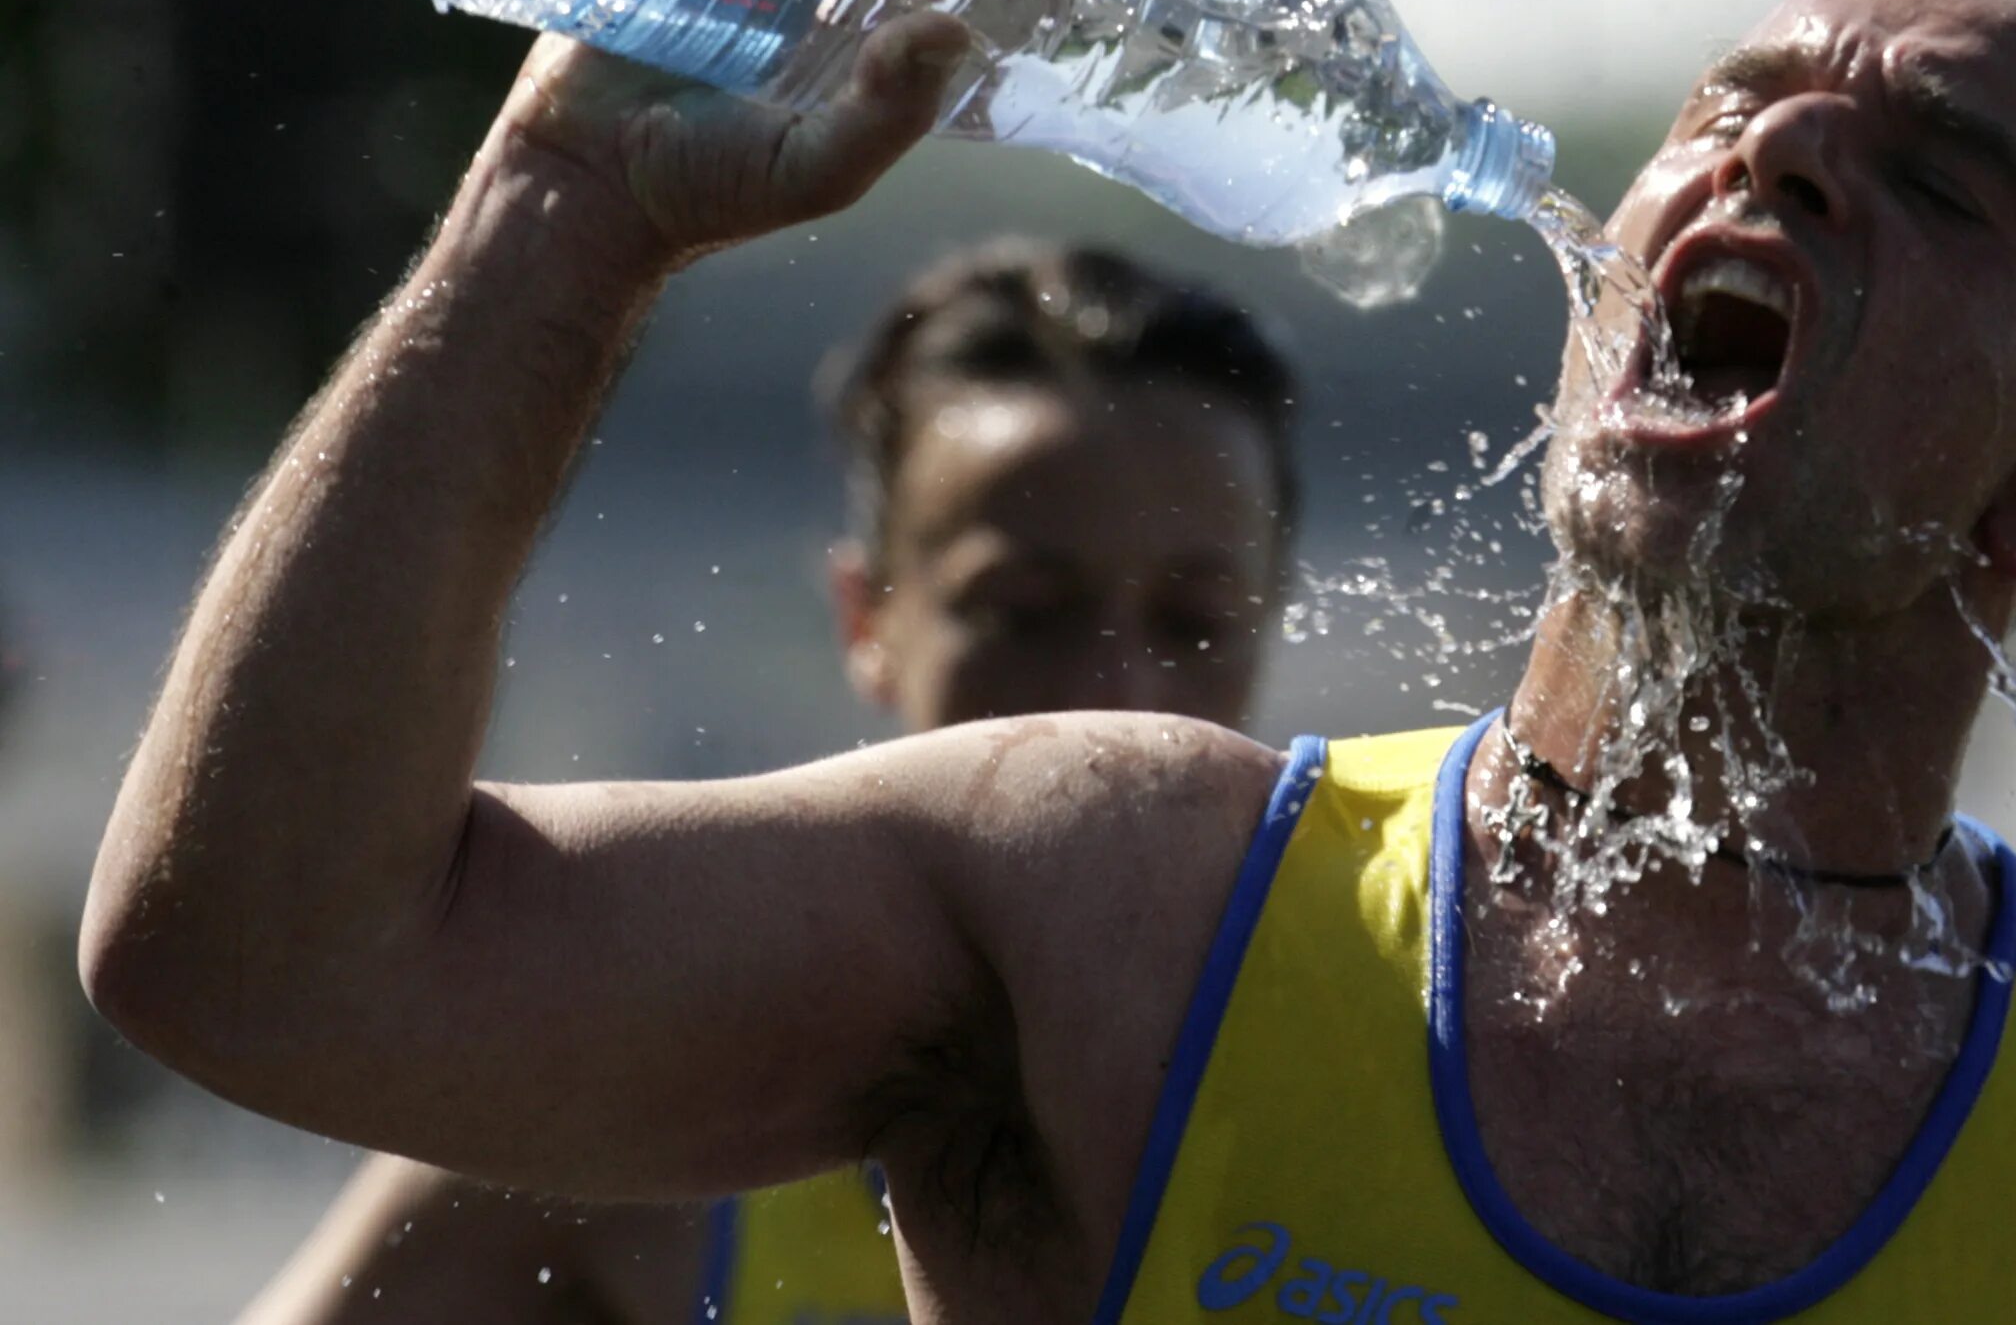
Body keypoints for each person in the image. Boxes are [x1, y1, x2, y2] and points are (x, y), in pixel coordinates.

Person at [80, 0, 2016, 1324]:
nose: (1779, 154)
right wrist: (558, 227)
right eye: (1726, 111)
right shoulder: (1106, 904)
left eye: (1935, 179)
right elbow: (257, 960)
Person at [234, 237, 1301, 1325]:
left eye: (1194, 622)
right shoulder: (637, 1109)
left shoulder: (1410, 1044)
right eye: (1023, 611)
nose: (1113, 703)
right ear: (867, 619)